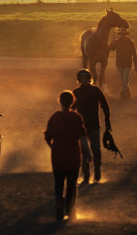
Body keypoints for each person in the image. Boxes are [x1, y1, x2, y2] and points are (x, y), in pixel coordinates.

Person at [44, 90, 92, 221]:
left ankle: (59, 203)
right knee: (71, 186)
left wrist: (53, 147)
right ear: (72, 102)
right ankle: (71, 211)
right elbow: (82, 139)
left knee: (58, 185)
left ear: (59, 101)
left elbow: (47, 137)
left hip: (57, 157)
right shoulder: (77, 118)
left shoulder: (54, 118)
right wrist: (88, 153)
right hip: (73, 157)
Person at [72, 68, 112, 184]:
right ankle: (86, 175)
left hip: (94, 125)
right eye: (82, 78)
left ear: (89, 79)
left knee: (96, 149)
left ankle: (97, 169)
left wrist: (107, 120)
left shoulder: (95, 90)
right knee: (83, 151)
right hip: (81, 127)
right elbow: (72, 110)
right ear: (79, 80)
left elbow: (105, 105)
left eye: (86, 78)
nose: (84, 80)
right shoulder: (76, 92)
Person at [109, 27, 137, 99]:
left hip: (128, 64)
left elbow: (134, 54)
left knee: (125, 78)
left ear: (126, 34)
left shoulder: (131, 43)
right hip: (119, 64)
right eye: (122, 34)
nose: (123, 35)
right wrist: (112, 43)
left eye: (124, 34)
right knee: (123, 79)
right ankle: (129, 94)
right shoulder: (117, 42)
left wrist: (136, 65)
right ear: (120, 35)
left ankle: (122, 93)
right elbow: (112, 49)